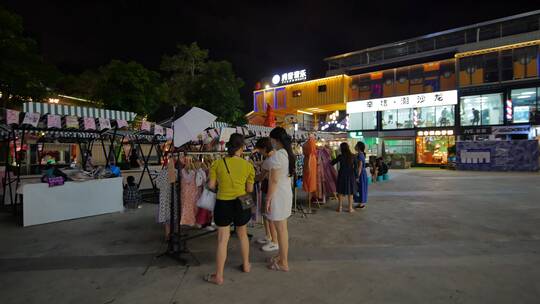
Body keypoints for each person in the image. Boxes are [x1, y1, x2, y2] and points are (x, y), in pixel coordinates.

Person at [205, 133, 255, 285]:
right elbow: (249, 188)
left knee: (222, 239)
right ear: (241, 147)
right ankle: (246, 264)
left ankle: (218, 275)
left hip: (223, 203)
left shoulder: (217, 164)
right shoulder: (248, 166)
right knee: (243, 235)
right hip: (241, 202)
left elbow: (211, 186)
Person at [266, 127, 295, 272]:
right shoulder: (287, 154)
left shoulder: (277, 156)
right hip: (285, 193)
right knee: (283, 229)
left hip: (278, 195)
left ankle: (284, 262)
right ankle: (281, 256)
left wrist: (268, 198)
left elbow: (274, 180)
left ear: (276, 140)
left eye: (271, 139)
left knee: (281, 230)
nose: (271, 142)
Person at [254, 137, 279, 252]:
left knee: (269, 216)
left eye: (260, 150)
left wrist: (250, 178)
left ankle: (274, 241)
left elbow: (260, 177)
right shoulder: (274, 156)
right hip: (270, 188)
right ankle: (268, 236)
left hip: (269, 189)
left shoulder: (269, 160)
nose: (259, 152)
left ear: (264, 148)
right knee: (266, 214)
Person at [331, 143, 358, 213]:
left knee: (340, 191)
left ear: (341, 148)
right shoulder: (353, 156)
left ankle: (339, 207)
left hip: (342, 174)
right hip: (351, 175)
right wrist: (357, 176)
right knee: (350, 191)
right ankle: (350, 208)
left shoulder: (340, 156)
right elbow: (356, 168)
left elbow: (332, 163)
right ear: (348, 147)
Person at [354, 142, 368, 209]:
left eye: (356, 145)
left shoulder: (360, 155)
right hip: (362, 173)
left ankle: (362, 203)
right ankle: (360, 203)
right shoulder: (360, 154)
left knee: (361, 188)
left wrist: (357, 176)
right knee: (360, 188)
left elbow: (360, 166)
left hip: (361, 173)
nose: (355, 146)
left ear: (358, 147)